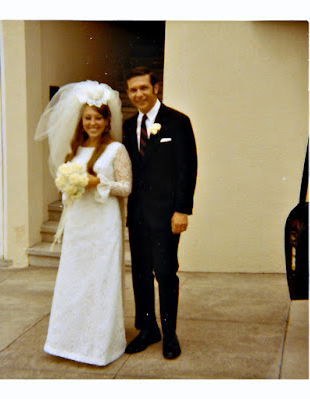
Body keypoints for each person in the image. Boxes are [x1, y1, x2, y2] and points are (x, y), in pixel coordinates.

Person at [34, 81, 132, 366]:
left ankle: (99, 345)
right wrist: (71, 186)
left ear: (107, 120)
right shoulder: (74, 150)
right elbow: (68, 186)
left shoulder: (116, 150)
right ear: (81, 120)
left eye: (98, 118)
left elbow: (126, 187)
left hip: (103, 223)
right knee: (75, 279)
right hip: (79, 223)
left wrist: (97, 181)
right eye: (88, 118)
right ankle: (66, 342)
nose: (93, 123)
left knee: (100, 279)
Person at [122, 67, 197, 359]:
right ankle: (148, 329)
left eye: (143, 87)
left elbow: (187, 168)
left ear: (156, 88)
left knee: (165, 273)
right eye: (132, 90)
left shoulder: (177, 122)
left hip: (166, 216)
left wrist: (182, 210)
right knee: (140, 273)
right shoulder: (129, 126)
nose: (138, 94)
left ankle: (169, 335)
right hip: (137, 215)